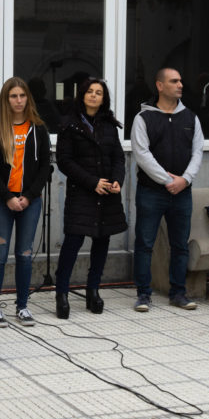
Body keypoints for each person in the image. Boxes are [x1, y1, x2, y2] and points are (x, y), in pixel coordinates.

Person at [54, 78, 128, 319]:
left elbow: (118, 156)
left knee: (101, 242)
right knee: (73, 242)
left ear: (104, 98)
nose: (94, 96)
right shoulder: (69, 124)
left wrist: (117, 179)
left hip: (107, 193)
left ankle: (93, 290)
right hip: (82, 192)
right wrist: (91, 182)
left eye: (99, 92)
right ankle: (62, 293)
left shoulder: (108, 124)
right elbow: (64, 161)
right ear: (82, 95)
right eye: (90, 92)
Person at [131, 67, 204, 312]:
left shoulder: (191, 118)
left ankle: (178, 293)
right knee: (145, 243)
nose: (180, 84)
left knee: (180, 244)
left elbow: (198, 152)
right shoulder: (143, 118)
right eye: (174, 81)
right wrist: (167, 180)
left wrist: (184, 180)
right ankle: (143, 294)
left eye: (181, 80)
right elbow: (142, 155)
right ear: (160, 86)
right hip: (151, 192)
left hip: (182, 192)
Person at [0, 77, 52, 327]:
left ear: (28, 98)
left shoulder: (38, 128)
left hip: (30, 202)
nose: (19, 101)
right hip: (1, 202)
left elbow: (45, 166)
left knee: (24, 254)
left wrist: (28, 196)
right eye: (14, 96)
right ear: (6, 98)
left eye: (22, 96)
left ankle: (22, 307)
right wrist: (8, 197)